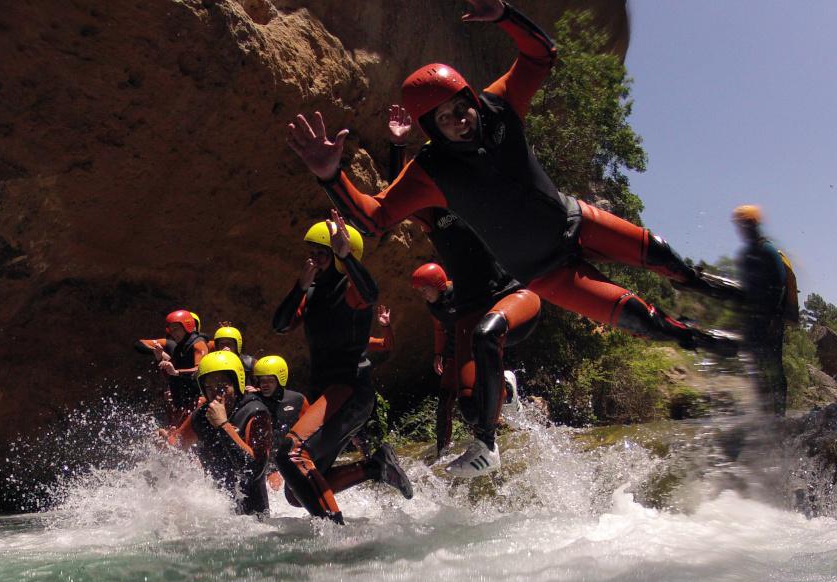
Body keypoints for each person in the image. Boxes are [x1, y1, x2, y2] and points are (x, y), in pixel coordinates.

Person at [288, 0, 744, 474]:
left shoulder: (499, 108)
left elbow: (541, 56)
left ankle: (725, 295)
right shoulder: (432, 172)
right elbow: (377, 216)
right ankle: (718, 347)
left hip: (576, 222)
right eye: (444, 118)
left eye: (459, 107)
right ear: (432, 130)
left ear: (469, 96)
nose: (459, 118)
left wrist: (504, 15)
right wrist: (330, 174)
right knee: (642, 321)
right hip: (544, 274)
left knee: (669, 261)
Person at [271, 211, 411, 522]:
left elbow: (371, 293)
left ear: (338, 255)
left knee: (290, 453)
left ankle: (336, 534)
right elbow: (280, 325)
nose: (314, 260)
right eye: (313, 253)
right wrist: (298, 287)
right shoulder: (312, 292)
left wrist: (345, 257)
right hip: (329, 394)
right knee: (296, 492)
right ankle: (376, 466)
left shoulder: (350, 289)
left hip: (349, 390)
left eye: (322, 253)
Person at [410, 263, 533, 457]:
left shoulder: (461, 292)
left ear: (438, 284)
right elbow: (439, 328)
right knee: (444, 402)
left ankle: (506, 392)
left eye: (425, 289)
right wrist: (438, 354)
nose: (423, 294)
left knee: (472, 402)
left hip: (473, 349)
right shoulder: (433, 304)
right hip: (453, 350)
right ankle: (442, 452)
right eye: (420, 291)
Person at [165, 350, 275, 515]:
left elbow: (253, 470)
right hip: (217, 513)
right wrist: (165, 442)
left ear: (237, 383)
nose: (216, 393)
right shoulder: (202, 414)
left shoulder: (256, 413)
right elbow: (177, 445)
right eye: (209, 387)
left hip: (252, 519)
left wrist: (223, 424)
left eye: (223, 387)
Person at [733, 204, 795, 416]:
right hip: (754, 321)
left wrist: (776, 319)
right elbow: (745, 291)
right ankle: (764, 414)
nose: (741, 229)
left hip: (770, 320)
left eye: (744, 225)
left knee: (774, 367)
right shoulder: (746, 255)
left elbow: (780, 284)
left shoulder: (767, 250)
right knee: (757, 367)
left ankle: (779, 414)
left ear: (753, 225)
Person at [135, 310, 209, 427]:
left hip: (196, 400)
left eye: (176, 329)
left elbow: (201, 370)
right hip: (181, 400)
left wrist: (176, 372)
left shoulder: (199, 344)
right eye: (171, 330)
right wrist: (158, 354)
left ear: (187, 326)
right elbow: (138, 344)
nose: (174, 333)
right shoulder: (176, 346)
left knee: (176, 438)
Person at [212, 325, 260, 393]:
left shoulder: (250, 362)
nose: (226, 348)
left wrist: (257, 390)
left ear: (237, 346)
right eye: (222, 344)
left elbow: (265, 383)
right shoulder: (213, 363)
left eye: (229, 344)